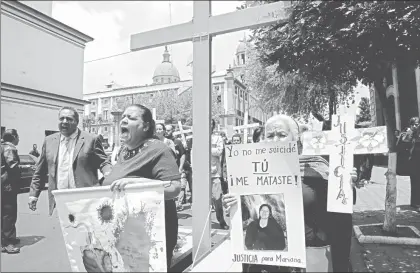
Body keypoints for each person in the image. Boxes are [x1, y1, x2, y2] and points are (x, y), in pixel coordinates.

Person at [223, 114, 360, 272]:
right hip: (269, 258)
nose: (275, 139)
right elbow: (243, 217)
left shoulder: (317, 168)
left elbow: (341, 210)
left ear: (297, 140)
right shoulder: (249, 174)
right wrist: (231, 204)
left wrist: (346, 183)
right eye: (270, 135)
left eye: (282, 135)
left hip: (311, 256)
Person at [101, 104, 181, 270]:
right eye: (123, 116)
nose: (124, 120)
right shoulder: (124, 151)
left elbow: (174, 188)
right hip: (125, 233)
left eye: (131, 118)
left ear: (145, 126)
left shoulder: (158, 149)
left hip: (151, 235)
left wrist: (138, 184)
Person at [28, 106, 112, 215]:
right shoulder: (49, 141)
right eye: (61, 118)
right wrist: (33, 195)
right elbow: (40, 171)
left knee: (87, 231)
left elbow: (103, 162)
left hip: (85, 200)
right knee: (65, 231)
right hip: (60, 199)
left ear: (77, 122)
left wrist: (109, 173)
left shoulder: (91, 139)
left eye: (69, 119)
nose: (64, 122)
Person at [1, 129, 21, 254]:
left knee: (3, 212)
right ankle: (8, 242)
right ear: (14, 137)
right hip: (7, 185)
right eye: (18, 137)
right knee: (9, 213)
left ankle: (6, 239)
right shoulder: (9, 148)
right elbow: (12, 166)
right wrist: (26, 167)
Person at [211, 119, 229, 230]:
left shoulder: (218, 138)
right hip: (201, 175)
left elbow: (219, 151)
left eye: (211, 125)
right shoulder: (197, 138)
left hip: (214, 173)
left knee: (217, 198)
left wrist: (206, 147)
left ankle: (221, 220)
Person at [400, 116, 420, 211]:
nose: (418, 126)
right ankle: (415, 202)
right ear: (411, 125)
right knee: (415, 181)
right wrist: (411, 131)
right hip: (413, 161)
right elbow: (404, 142)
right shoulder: (408, 133)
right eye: (416, 124)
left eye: (418, 124)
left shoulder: (418, 134)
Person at [165, 124, 186, 210]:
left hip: (177, 169)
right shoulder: (162, 142)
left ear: (172, 131)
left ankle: (179, 204)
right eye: (165, 130)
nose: (166, 132)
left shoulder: (177, 142)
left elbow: (182, 155)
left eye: (168, 130)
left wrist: (180, 167)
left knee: (181, 186)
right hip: (166, 171)